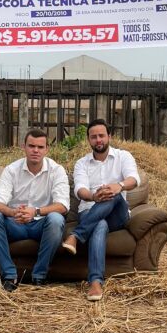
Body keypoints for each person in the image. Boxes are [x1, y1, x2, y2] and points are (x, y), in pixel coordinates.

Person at [63, 119, 140, 301]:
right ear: (88, 140)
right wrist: (93, 196)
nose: (98, 140)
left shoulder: (123, 156)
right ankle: (95, 282)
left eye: (101, 136)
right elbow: (79, 189)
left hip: (118, 214)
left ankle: (76, 236)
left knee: (112, 194)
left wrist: (118, 186)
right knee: (100, 224)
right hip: (90, 211)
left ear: (109, 137)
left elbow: (134, 179)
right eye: (94, 137)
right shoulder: (82, 163)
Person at [0, 128, 69, 292]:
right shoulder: (11, 170)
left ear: (47, 149)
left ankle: (39, 276)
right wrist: (13, 212)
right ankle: (9, 275)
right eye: (31, 146)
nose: (35, 150)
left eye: (40, 147)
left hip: (41, 225)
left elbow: (63, 205)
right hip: (15, 223)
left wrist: (35, 212)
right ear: (23, 147)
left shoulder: (56, 170)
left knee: (56, 219)